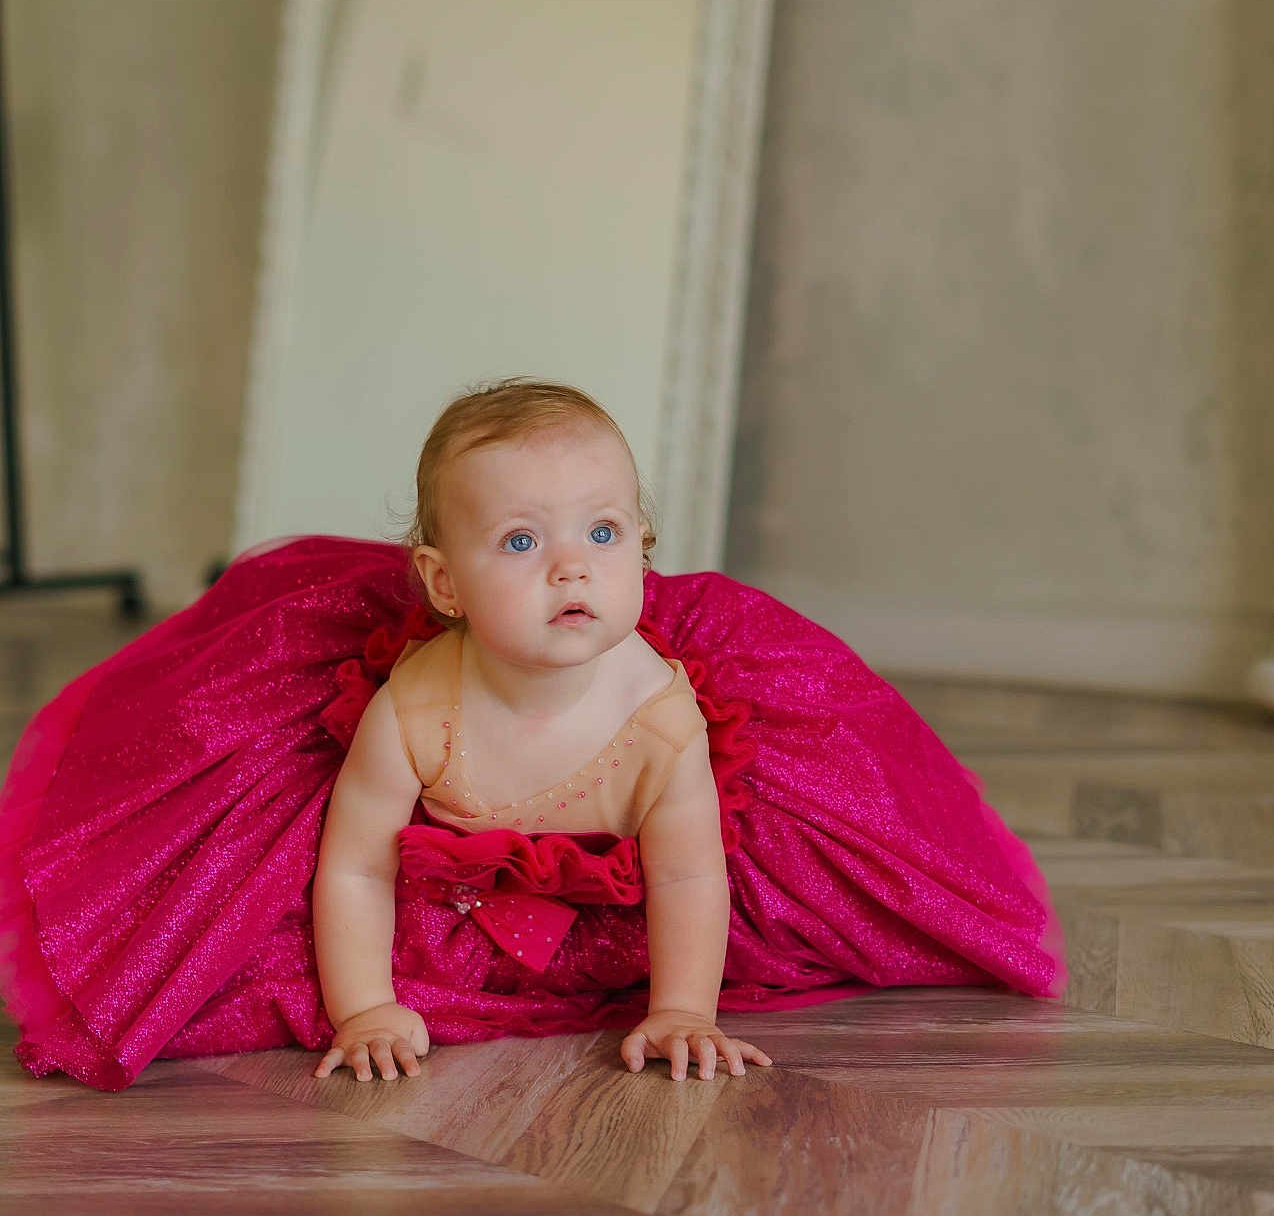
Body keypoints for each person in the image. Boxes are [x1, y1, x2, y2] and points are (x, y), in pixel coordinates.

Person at [0, 378, 1065, 1093]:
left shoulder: (657, 715)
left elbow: (690, 877)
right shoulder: (413, 709)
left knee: (791, 905)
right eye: (521, 540)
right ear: (443, 582)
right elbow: (360, 869)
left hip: (623, 907)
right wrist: (366, 1007)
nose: (571, 567)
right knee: (248, 960)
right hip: (446, 904)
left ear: (641, 546)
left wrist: (681, 1007)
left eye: (602, 533)